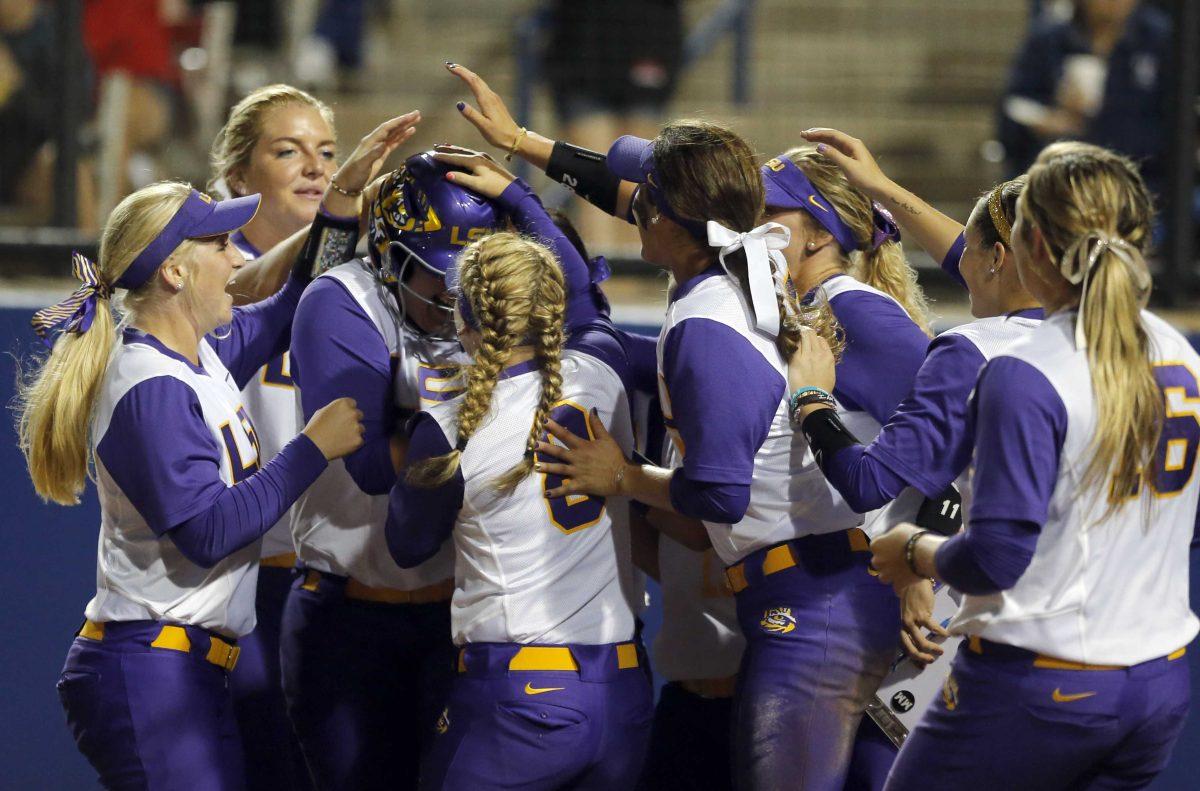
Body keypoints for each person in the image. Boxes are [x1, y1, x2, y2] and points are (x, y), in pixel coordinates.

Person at [531, 119, 901, 790]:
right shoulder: (743, 271)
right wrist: (525, 165)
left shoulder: (710, 313)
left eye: (647, 201)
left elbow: (721, 494)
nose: (636, 208)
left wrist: (622, 474)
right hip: (818, 590)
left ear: (674, 220)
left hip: (813, 601)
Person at [15, 138, 397, 786]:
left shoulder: (198, 355)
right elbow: (206, 530)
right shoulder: (148, 384)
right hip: (150, 667)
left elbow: (291, 299)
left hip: (182, 666)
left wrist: (340, 203)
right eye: (220, 245)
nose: (241, 255)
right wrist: (310, 447)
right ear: (174, 271)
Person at [859, 145, 1197, 790]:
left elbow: (995, 556)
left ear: (1032, 245)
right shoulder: (1173, 348)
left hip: (1041, 687)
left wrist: (916, 549)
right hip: (1158, 685)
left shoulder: (1027, 370)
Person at [383, 231, 651, 789]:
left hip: (520, 695)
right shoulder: (604, 374)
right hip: (623, 689)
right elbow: (589, 307)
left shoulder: (450, 427)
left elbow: (408, 545)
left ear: (464, 316)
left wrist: (397, 442)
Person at [280, 149, 502, 791]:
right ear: (388, 254)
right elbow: (375, 467)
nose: (456, 294)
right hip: (349, 615)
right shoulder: (340, 301)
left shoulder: (489, 301)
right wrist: (478, 416)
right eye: (437, 275)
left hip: (455, 616)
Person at [207, 83, 341, 791]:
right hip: (233, 579)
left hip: (333, 582)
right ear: (237, 175)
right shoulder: (196, 276)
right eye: (288, 152)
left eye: (326, 154)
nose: (314, 168)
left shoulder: (358, 276)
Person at [998, 0, 1170, 196]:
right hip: (1056, 185)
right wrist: (1052, 120)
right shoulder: (1048, 39)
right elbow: (1012, 112)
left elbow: (1173, 129)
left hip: (1139, 187)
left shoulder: (1161, 40)